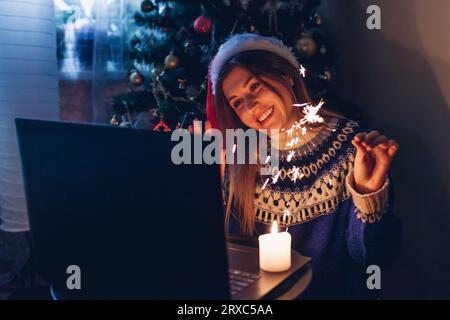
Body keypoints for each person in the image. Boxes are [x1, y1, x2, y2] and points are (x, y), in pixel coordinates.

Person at [204, 33, 401, 299]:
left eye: (255, 87)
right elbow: (223, 260)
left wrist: (368, 194)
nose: (251, 106)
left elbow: (375, 257)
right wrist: (209, 188)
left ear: (286, 76)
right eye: (237, 102)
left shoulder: (352, 147)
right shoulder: (240, 161)